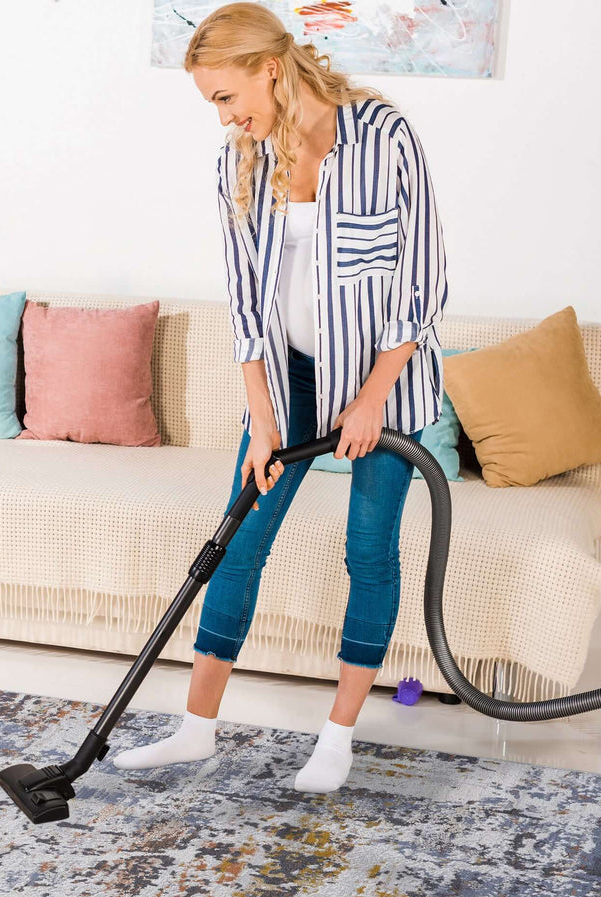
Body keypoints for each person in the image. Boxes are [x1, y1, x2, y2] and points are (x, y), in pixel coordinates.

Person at [114, 2, 447, 793]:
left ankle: (336, 739)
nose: (225, 117)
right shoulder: (241, 160)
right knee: (239, 538)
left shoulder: (382, 137)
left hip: (384, 381)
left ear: (269, 68)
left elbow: (421, 280)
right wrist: (262, 416)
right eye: (213, 106)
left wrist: (370, 398)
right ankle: (195, 729)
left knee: (367, 550)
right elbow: (244, 304)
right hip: (290, 377)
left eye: (226, 98)